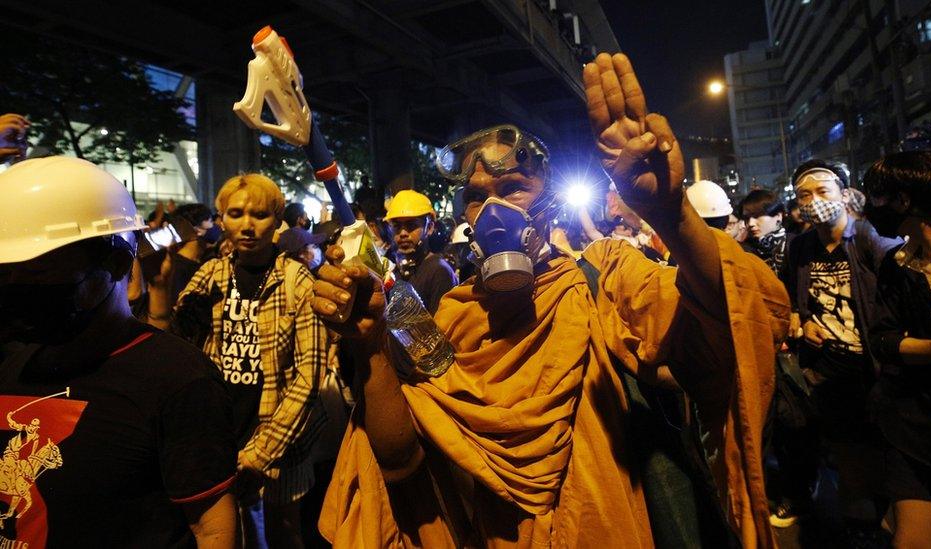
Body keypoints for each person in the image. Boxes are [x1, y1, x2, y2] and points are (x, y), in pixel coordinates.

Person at [313, 53, 789, 548]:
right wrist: (368, 346)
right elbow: (401, 462)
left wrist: (671, 213)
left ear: (549, 202)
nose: (493, 210)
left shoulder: (604, 274)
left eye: (514, 188)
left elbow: (743, 313)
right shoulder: (452, 314)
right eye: (477, 198)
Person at [0, 157, 237, 547]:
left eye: (39, 271)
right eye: (8, 272)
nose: (18, 286)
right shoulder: (15, 365)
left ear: (114, 263)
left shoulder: (177, 378)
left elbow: (212, 528)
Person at [172, 173, 334, 548]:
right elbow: (176, 348)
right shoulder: (210, 274)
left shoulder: (296, 280)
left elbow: (309, 375)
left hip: (282, 434)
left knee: (285, 531)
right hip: (221, 430)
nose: (247, 225)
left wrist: (261, 455)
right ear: (222, 217)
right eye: (236, 213)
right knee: (228, 531)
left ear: (277, 220)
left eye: (259, 214)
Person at [778, 160, 901, 534]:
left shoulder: (869, 239)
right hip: (827, 373)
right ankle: (861, 526)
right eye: (804, 195)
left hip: (873, 372)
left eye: (822, 191)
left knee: (883, 458)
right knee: (850, 461)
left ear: (843, 193)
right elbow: (788, 305)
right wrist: (800, 325)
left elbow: (899, 290)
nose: (814, 201)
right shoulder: (800, 248)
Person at [863, 151, 931, 547]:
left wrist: (917, 347)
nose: (869, 208)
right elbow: (883, 341)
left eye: (876, 197)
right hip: (914, 428)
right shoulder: (897, 263)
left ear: (903, 201)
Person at [385, 189, 458, 314]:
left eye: (411, 226)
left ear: (429, 228)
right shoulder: (396, 270)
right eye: (397, 226)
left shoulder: (439, 271)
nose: (403, 233)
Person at [741, 189, 790, 277]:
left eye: (757, 216)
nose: (751, 223)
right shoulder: (744, 250)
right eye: (747, 218)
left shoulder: (795, 245)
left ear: (778, 216)